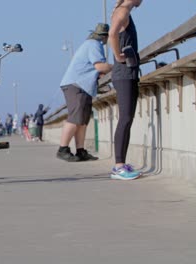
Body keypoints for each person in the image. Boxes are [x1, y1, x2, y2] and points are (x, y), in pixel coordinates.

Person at [57, 23, 113, 162]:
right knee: (75, 118)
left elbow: (96, 70)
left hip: (82, 85)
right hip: (77, 85)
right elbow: (100, 66)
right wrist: (118, 66)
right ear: (106, 36)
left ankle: (81, 151)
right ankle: (62, 149)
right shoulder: (95, 44)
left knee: (82, 121)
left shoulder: (90, 43)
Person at [108, 0, 143, 180]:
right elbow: (111, 35)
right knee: (125, 118)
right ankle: (118, 166)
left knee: (127, 118)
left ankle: (121, 164)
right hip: (124, 73)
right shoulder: (122, 11)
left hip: (127, 73)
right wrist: (118, 56)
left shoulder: (122, 11)